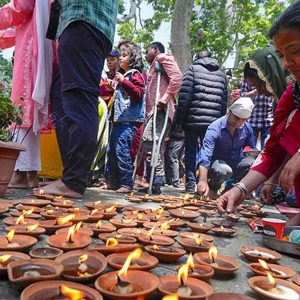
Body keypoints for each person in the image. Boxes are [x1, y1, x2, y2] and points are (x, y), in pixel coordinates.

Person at [218, 0, 300, 214]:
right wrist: (240, 189)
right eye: (281, 55)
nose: (286, 64)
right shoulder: (292, 95)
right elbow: (273, 151)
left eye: (295, 51)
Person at [41, 1, 119, 198]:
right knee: (77, 99)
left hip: (82, 21)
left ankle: (73, 181)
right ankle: (72, 177)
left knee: (79, 101)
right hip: (95, 27)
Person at [0, 0, 54, 189]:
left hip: (30, 53)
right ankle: (31, 173)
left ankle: (21, 173)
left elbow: (19, 7)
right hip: (39, 48)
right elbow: (18, 27)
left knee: (22, 110)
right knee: (30, 113)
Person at [175, 50, 228, 193]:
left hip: (192, 120)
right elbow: (224, 102)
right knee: (209, 152)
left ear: (197, 59)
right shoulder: (222, 75)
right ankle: (206, 183)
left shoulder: (192, 70)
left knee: (191, 152)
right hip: (213, 122)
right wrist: (221, 123)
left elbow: (184, 98)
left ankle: (191, 183)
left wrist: (179, 120)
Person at [141, 41, 182, 195]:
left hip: (161, 110)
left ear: (155, 49)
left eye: (147, 51)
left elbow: (177, 77)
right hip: (154, 111)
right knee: (152, 143)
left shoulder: (163, 57)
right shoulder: (153, 65)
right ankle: (153, 180)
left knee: (150, 141)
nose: (145, 55)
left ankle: (157, 178)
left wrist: (165, 98)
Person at [105, 42, 145, 193]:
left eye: (124, 55)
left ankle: (127, 183)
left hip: (129, 121)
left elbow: (138, 94)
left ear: (133, 57)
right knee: (112, 151)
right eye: (120, 55)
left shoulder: (135, 74)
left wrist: (124, 82)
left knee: (122, 151)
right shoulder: (123, 76)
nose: (120, 58)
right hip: (117, 120)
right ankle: (113, 181)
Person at [197, 97, 256, 199]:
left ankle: (230, 189)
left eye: (243, 120)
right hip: (217, 165)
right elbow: (205, 155)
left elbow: (250, 148)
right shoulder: (215, 128)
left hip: (235, 162)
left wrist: (253, 152)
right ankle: (212, 188)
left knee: (252, 163)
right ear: (229, 112)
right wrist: (203, 180)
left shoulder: (247, 128)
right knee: (224, 170)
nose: (239, 123)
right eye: (236, 118)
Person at [240, 47, 287, 150]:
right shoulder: (279, 103)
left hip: (268, 121)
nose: (259, 91)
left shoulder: (293, 97)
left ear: (268, 76)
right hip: (254, 120)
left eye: (257, 84)